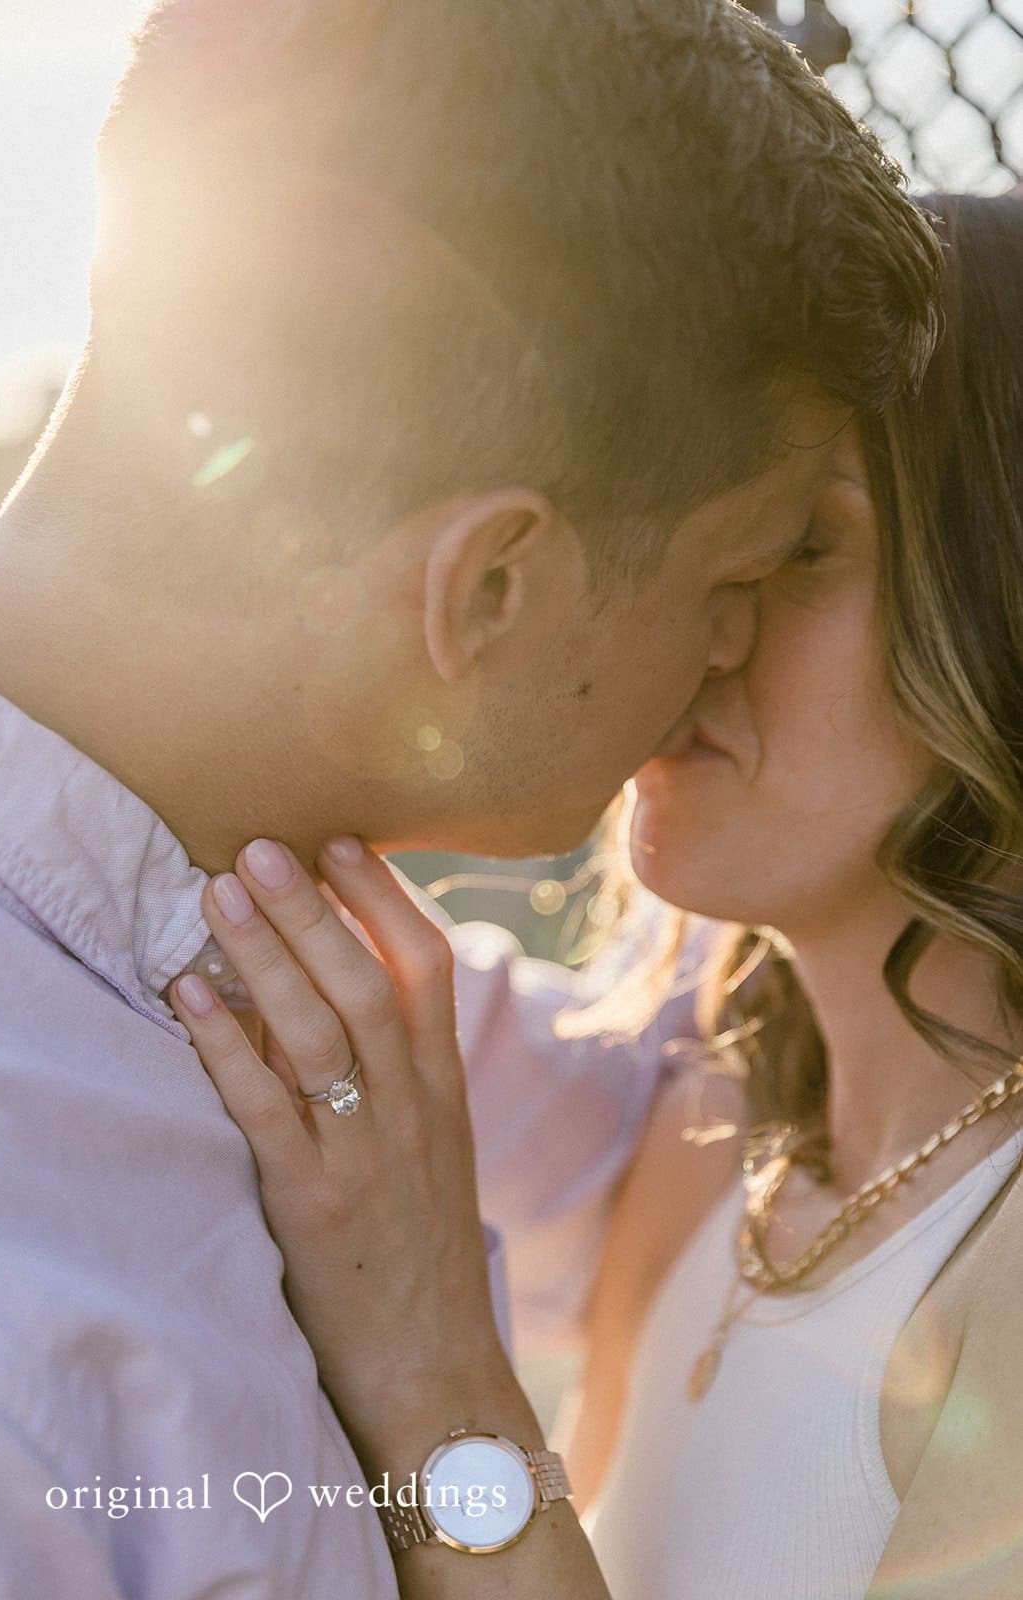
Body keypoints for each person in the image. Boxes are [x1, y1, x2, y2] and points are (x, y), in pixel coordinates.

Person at [0, 2, 940, 1596]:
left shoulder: (289, 978)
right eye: (743, 570)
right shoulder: (6, 1343)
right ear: (491, 587)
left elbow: (721, 1122)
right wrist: (434, 1385)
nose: (732, 650)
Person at [176, 193, 1023, 1600]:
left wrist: (430, 1356)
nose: (704, 628)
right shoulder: (711, 1129)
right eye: (698, 541)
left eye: (798, 546)